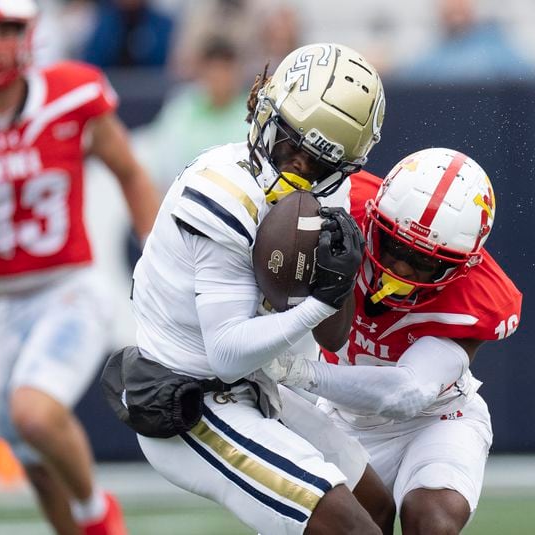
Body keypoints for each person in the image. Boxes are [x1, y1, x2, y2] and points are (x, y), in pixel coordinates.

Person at [127, 42, 392, 534]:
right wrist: (319, 301)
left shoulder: (334, 193)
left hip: (255, 385)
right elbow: (226, 352)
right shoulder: (221, 190)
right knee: (352, 530)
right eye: (290, 146)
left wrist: (339, 284)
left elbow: (333, 338)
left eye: (317, 164)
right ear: (264, 113)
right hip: (191, 400)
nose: (296, 170)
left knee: (376, 507)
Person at [0, 1, 160, 534]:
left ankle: (99, 518)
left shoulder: (72, 93)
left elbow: (129, 172)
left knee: (35, 413)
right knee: (36, 464)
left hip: (69, 287)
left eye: (7, 28)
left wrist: (160, 259)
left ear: (30, 33)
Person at [262, 147, 523, 534]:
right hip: (342, 418)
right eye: (395, 246)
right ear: (375, 220)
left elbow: (406, 393)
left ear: (461, 264)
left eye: (424, 261)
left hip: (436, 418)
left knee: (432, 521)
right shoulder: (345, 205)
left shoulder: (479, 299)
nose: (400, 267)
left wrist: (295, 372)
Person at [136, 36, 250, 189]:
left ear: (237, 73)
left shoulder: (251, 114)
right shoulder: (182, 106)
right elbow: (162, 158)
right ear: (203, 71)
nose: (219, 77)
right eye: (213, 69)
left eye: (225, 69)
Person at [394, 0, 533, 82]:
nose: (455, 5)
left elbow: (532, 77)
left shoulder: (495, 46)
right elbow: (410, 79)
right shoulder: (434, 53)